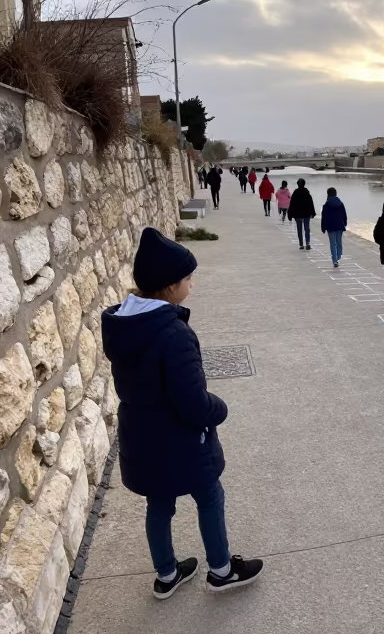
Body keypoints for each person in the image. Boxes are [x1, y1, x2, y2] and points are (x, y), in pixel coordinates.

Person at [101, 228, 264, 599]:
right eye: (188, 279)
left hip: (142, 436)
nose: (191, 285)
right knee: (209, 497)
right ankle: (222, 571)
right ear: (170, 286)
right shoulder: (173, 332)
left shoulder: (123, 325)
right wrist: (218, 409)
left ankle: (166, 574)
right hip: (182, 440)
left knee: (159, 504)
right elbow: (192, 403)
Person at [320, 187, 347, 267]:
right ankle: (338, 256)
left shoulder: (326, 205)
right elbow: (344, 215)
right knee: (339, 242)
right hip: (339, 225)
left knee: (332, 243)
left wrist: (323, 227)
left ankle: (334, 260)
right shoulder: (340, 203)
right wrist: (344, 223)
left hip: (330, 226)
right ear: (335, 194)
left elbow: (324, 217)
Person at [287, 179, 316, 250]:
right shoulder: (307, 193)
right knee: (307, 229)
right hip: (306, 213)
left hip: (298, 214)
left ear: (297, 184)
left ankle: (301, 244)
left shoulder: (295, 193)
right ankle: (308, 243)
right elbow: (311, 203)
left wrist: (290, 214)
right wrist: (313, 213)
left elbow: (292, 204)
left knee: (299, 229)